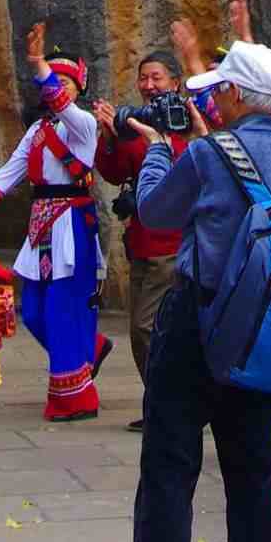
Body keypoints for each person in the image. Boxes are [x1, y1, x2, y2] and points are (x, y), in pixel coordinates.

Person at [101, 40, 271, 542]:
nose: (212, 98)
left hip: (198, 319)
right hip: (262, 321)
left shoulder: (211, 151)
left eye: (220, 89)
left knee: (168, 467)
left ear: (239, 95)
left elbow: (158, 208)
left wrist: (162, 151)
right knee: (252, 471)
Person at [0, 20, 109, 421]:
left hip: (72, 226)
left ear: (77, 90)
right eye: (56, 81)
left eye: (67, 83)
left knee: (60, 310)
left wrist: (37, 63)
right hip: (41, 227)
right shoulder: (37, 130)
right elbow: (10, 172)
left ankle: (75, 398)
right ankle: (90, 349)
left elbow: (61, 103)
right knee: (33, 310)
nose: (60, 89)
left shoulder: (84, 126)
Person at [94, 35, 190, 431]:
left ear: (177, 83)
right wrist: (109, 135)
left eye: (157, 78)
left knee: (146, 328)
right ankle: (169, 405)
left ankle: (172, 407)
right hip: (145, 243)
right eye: (144, 79)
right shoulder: (137, 122)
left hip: (171, 243)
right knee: (153, 328)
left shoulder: (188, 121)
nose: (149, 85)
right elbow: (114, 173)